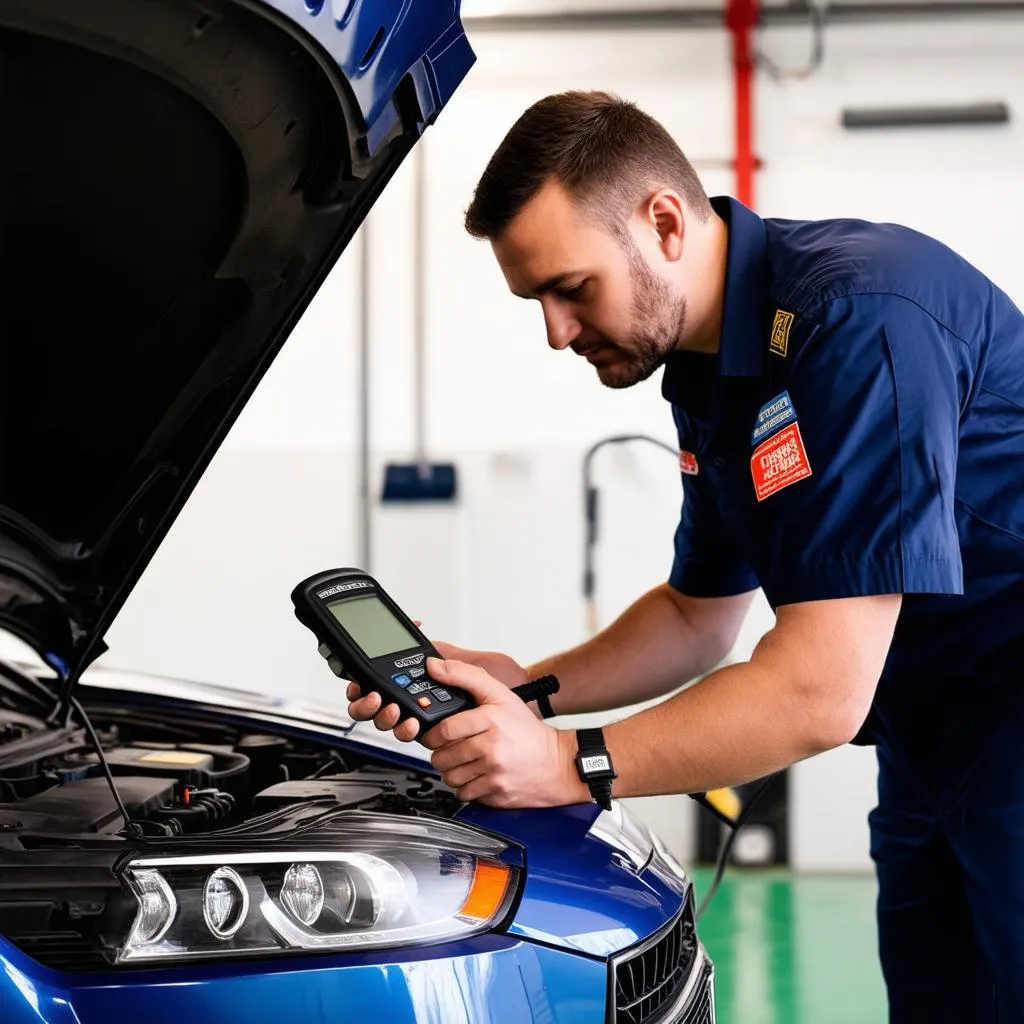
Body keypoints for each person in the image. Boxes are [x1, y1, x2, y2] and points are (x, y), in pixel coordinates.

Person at [346, 91, 1024, 1021]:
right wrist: (528, 685)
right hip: (932, 739)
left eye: (571, 288)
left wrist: (565, 763)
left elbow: (821, 690)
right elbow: (696, 616)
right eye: (534, 300)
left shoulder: (857, 320)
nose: (555, 333)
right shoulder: (710, 376)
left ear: (664, 221)